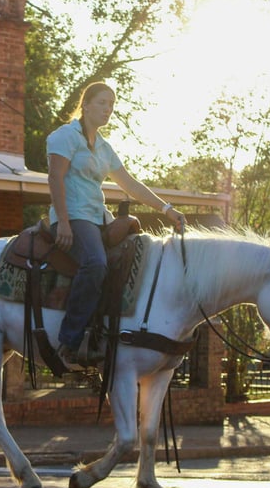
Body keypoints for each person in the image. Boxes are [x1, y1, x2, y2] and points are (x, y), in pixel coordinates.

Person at [47, 82, 184, 366]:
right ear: (85, 105)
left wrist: (166, 209)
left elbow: (130, 184)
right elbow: (55, 178)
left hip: (99, 218)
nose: (108, 109)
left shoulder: (104, 147)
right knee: (95, 263)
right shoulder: (65, 136)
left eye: (111, 104)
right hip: (74, 217)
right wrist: (63, 222)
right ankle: (69, 341)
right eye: (102, 102)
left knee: (136, 258)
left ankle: (109, 331)